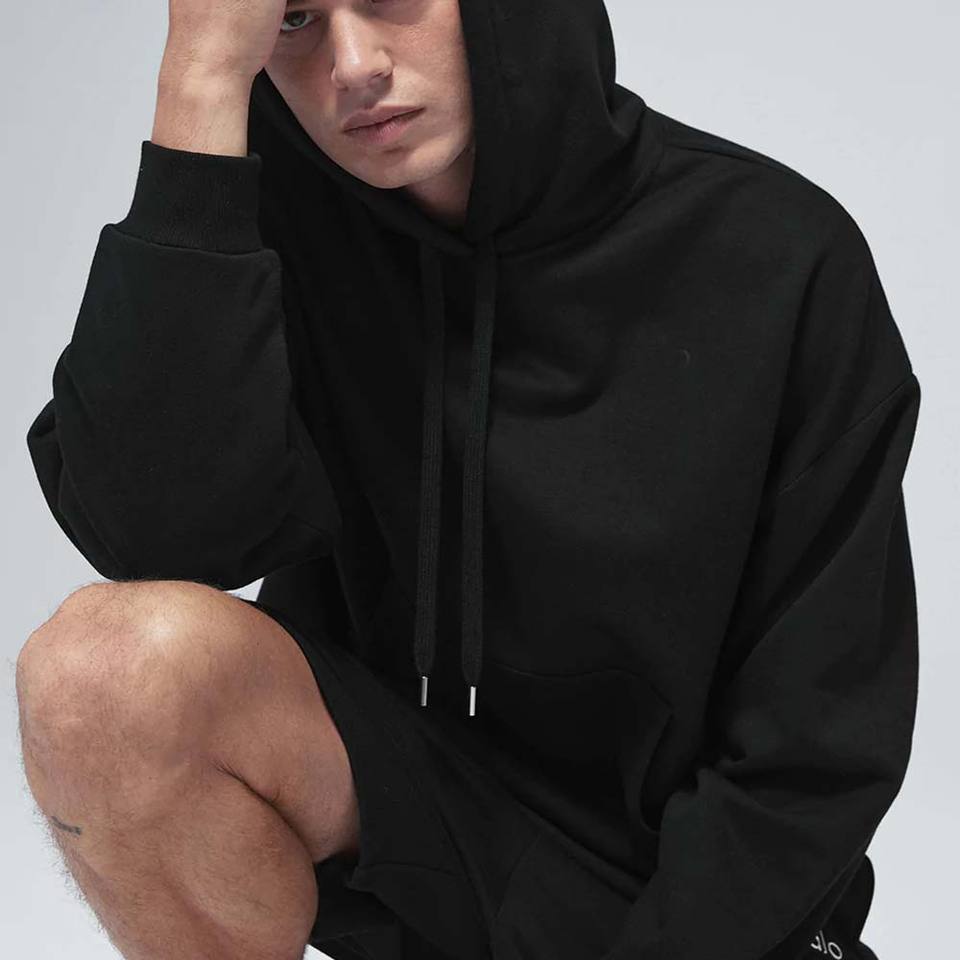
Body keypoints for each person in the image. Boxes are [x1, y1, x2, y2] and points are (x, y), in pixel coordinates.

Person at [16, 0, 921, 958]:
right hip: (420, 835)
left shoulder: (777, 257)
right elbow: (158, 534)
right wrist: (199, 78)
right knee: (99, 682)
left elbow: (814, 750)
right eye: (296, 19)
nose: (353, 66)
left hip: (701, 907)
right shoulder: (269, 235)